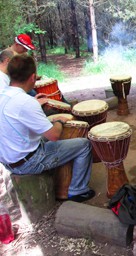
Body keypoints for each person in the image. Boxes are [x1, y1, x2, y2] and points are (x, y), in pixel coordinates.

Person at [0, 54, 95, 202]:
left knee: (43, 136)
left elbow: (17, 112)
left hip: (9, 160)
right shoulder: (25, 102)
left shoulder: (4, 94)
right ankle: (78, 190)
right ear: (33, 77)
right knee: (84, 145)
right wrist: (59, 120)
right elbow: (54, 135)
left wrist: (34, 103)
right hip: (27, 163)